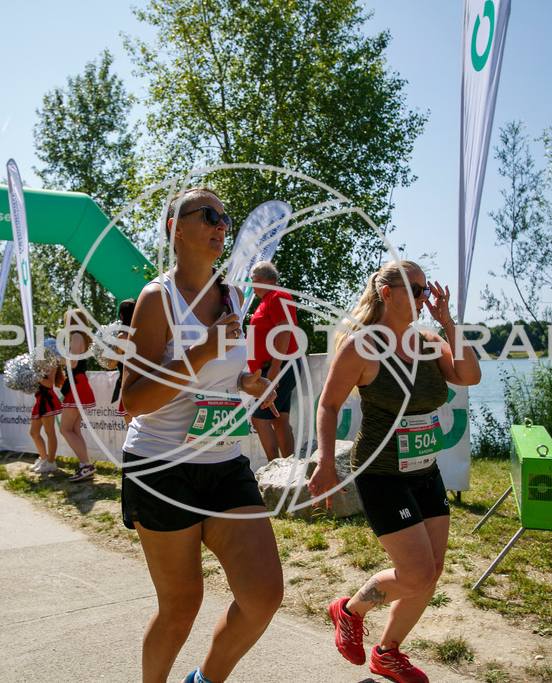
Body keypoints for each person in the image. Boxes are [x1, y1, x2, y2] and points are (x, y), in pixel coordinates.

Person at [121, 187, 283, 683]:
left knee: (263, 595)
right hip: (161, 466)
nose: (221, 225)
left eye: (225, 217)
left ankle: (206, 681)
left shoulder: (234, 296)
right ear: (176, 228)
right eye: (209, 215)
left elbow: (227, 374)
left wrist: (250, 386)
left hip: (224, 461)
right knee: (181, 606)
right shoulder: (157, 298)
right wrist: (203, 350)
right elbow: (134, 399)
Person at [309, 260, 481, 683]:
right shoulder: (361, 347)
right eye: (418, 290)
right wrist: (325, 463)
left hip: (425, 471)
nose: (426, 297)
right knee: (417, 573)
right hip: (381, 474)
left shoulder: (429, 340)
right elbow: (328, 405)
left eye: (428, 290)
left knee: (432, 572)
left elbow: (470, 375)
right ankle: (350, 611)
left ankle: (387, 652)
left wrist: (448, 322)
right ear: (388, 293)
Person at [247, 261, 299, 461]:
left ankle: (275, 467)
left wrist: (275, 368)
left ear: (259, 279)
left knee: (259, 418)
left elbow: (284, 331)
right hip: (279, 365)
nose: (251, 286)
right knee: (279, 419)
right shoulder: (271, 298)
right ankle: (287, 469)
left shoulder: (276, 296)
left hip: (279, 365)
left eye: (252, 281)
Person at [58, 308, 98, 482]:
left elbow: (72, 363)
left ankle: (85, 465)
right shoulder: (82, 337)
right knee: (73, 428)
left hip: (77, 385)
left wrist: (56, 355)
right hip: (79, 383)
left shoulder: (76, 336)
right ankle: (85, 464)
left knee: (65, 429)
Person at [97, 299, 136, 427]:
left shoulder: (122, 336)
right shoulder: (144, 332)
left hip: (131, 383)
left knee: (133, 428)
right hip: (147, 380)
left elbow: (111, 365)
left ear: (122, 315)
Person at [29, 365, 64, 473]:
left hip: (46, 399)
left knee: (49, 432)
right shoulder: (38, 362)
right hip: (39, 398)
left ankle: (51, 462)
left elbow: (49, 383)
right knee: (34, 432)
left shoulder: (51, 363)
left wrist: (35, 377)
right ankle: (44, 459)